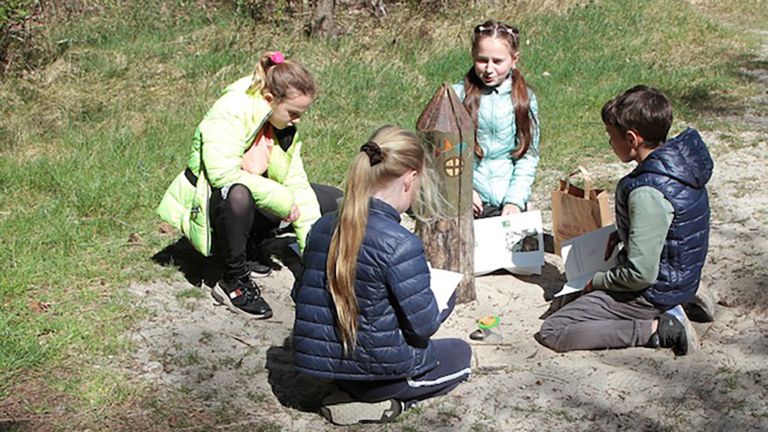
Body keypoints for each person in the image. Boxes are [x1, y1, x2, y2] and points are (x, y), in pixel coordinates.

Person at [292, 126, 471, 425]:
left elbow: (301, 295)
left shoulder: (322, 227)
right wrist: (445, 301)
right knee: (461, 355)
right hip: (381, 373)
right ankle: (386, 402)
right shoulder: (400, 243)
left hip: (323, 367)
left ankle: (349, 392)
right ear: (409, 179)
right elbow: (423, 326)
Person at [157, 51, 341, 319]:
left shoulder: (283, 126)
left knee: (332, 199)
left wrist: (312, 259)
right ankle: (233, 279)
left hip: (247, 200)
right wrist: (282, 199)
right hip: (210, 206)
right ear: (269, 99)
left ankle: (252, 242)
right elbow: (223, 177)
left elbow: (297, 185)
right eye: (293, 113)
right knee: (239, 195)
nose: (298, 120)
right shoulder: (231, 110)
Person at [535, 85, 713, 356]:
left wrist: (598, 281)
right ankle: (685, 298)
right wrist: (625, 232)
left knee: (555, 329)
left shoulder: (646, 191)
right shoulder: (679, 167)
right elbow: (673, 223)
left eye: (611, 136)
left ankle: (660, 328)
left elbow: (641, 274)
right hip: (681, 274)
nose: (609, 143)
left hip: (654, 290)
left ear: (632, 139)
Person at [452, 20, 541, 218]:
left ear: (514, 59)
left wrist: (515, 201)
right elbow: (444, 153)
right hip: (470, 200)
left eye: (498, 61)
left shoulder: (524, 98)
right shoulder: (457, 96)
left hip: (508, 200)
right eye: (482, 60)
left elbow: (528, 155)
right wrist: (464, 190)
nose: (489, 69)